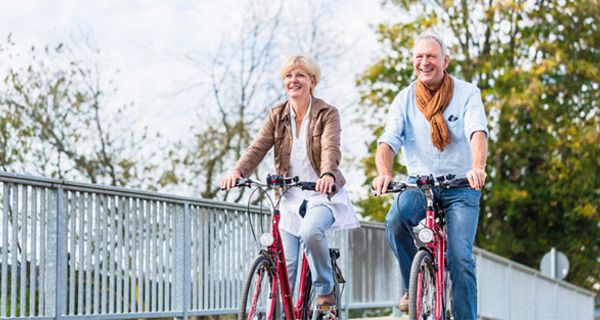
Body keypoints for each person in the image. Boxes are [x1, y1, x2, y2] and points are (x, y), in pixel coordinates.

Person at [221, 55, 359, 310]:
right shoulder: (277, 115)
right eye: (288, 76)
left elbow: (331, 147)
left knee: (310, 232)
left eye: (300, 75)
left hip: (321, 194)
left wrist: (328, 174)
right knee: (287, 267)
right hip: (289, 197)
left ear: (312, 81)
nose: (293, 80)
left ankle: (325, 287)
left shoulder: (327, 113)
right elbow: (257, 147)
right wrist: (237, 171)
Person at [372, 31, 488, 320]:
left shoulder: (467, 93)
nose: (425, 62)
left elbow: (477, 132)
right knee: (395, 220)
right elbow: (388, 141)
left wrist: (477, 167)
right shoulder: (404, 99)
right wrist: (384, 173)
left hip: (461, 186)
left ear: (445, 61)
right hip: (420, 185)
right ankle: (413, 286)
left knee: (459, 258)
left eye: (431, 56)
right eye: (419, 57)